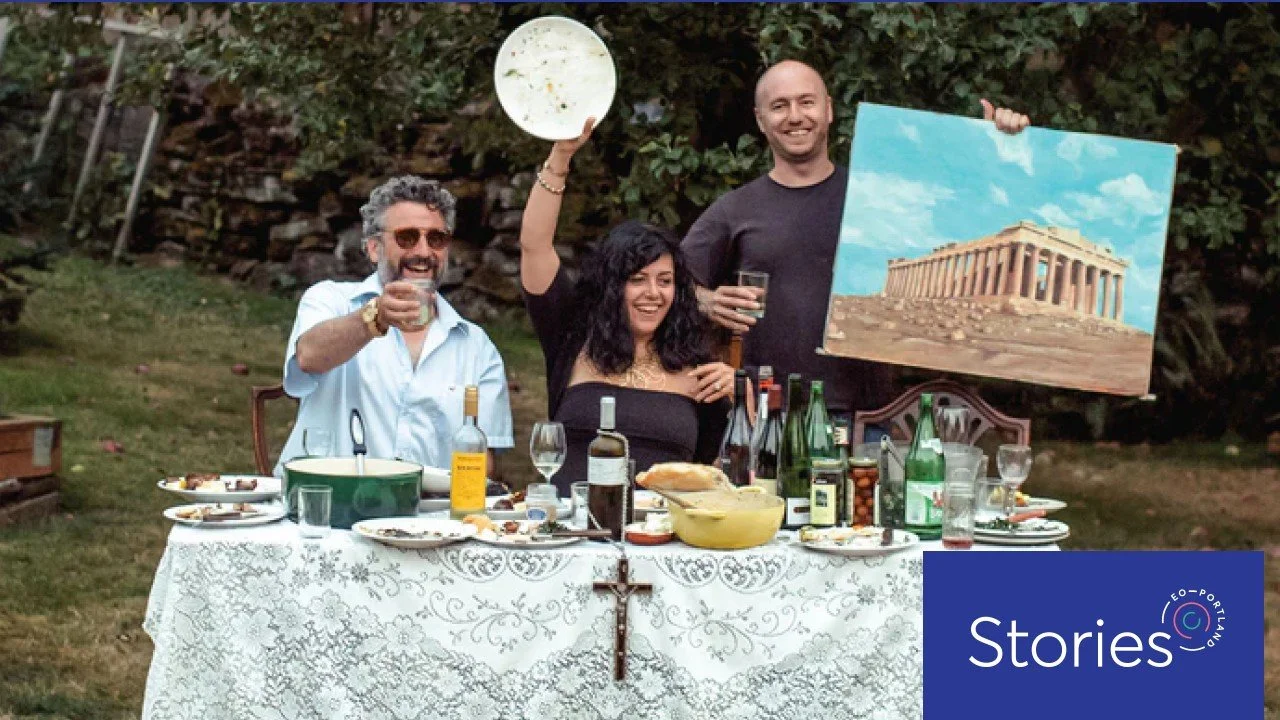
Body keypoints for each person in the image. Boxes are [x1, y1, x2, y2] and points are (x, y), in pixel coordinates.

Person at [682, 59, 1030, 425]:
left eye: (807, 102)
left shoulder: (876, 199)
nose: (795, 116)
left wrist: (998, 147)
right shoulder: (736, 209)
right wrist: (707, 300)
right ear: (760, 120)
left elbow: (971, 220)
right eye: (779, 106)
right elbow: (666, 282)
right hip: (769, 416)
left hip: (871, 417)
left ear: (829, 109)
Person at [521, 119, 738, 494]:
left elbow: (718, 473)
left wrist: (738, 393)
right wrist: (560, 156)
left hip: (662, 539)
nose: (653, 293)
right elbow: (535, 246)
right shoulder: (573, 334)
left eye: (665, 281)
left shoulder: (697, 366)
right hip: (573, 533)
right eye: (636, 279)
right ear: (611, 287)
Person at [275, 176, 514, 477]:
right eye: (407, 237)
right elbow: (309, 356)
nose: (424, 252)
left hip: (427, 515)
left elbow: (484, 459)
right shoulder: (330, 299)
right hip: (327, 506)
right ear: (374, 248)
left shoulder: (476, 345)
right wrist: (375, 318)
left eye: (436, 239)